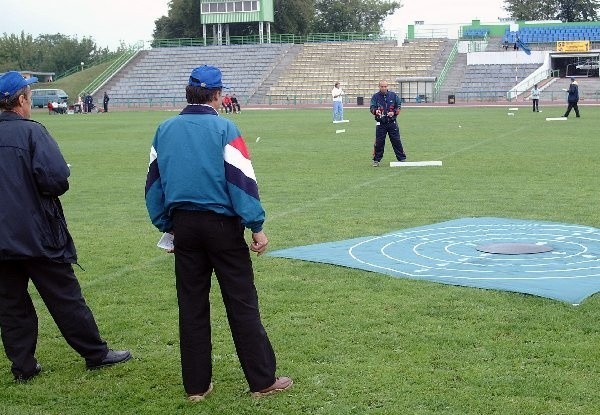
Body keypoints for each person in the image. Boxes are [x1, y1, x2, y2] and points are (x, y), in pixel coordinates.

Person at [145, 65, 292, 400]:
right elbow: (241, 181)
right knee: (241, 303)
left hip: (184, 226)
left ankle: (196, 387)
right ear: (218, 95)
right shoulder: (225, 128)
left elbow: (153, 185)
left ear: (188, 92)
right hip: (223, 228)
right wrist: (257, 227)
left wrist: (168, 227)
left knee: (192, 305)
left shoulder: (164, 130)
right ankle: (262, 381)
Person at [0, 71, 131, 383]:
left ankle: (23, 366)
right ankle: (95, 354)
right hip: (37, 234)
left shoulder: (30, 132)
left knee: (10, 303)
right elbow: (57, 178)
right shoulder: (32, 133)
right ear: (21, 100)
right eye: (29, 96)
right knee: (65, 297)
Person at [369, 80, 406, 167]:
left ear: (387, 86)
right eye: (382, 86)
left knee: (396, 140)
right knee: (379, 142)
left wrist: (394, 112)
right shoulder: (375, 97)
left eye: (385, 86)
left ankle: (402, 158)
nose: (384, 88)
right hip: (381, 123)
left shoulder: (393, 95)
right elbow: (371, 107)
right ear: (379, 87)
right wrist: (376, 111)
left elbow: (399, 106)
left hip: (392, 123)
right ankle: (376, 160)